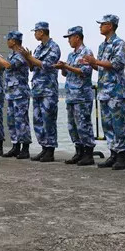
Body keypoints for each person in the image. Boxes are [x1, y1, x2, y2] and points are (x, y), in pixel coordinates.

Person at [83, 14, 125, 170]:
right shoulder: (102, 46)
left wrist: (95, 61)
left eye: (102, 24)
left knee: (118, 124)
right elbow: (101, 66)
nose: (100, 27)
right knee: (107, 124)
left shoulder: (119, 43)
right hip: (104, 91)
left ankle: (121, 155)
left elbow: (117, 64)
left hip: (116, 91)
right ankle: (113, 153)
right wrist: (91, 63)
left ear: (110, 25)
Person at [54, 26, 95, 166]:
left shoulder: (86, 52)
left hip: (82, 96)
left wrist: (67, 66)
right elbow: (68, 73)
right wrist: (63, 68)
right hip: (71, 95)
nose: (69, 41)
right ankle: (79, 151)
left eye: (70, 37)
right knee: (73, 126)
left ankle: (88, 153)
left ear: (77, 37)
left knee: (84, 125)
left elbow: (85, 71)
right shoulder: (71, 55)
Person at [21, 22, 61, 162]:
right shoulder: (38, 48)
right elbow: (33, 67)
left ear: (42, 32)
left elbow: (48, 65)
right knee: (38, 120)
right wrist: (28, 59)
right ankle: (43, 147)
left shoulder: (54, 47)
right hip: (37, 89)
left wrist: (31, 58)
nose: (35, 34)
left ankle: (50, 150)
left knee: (48, 120)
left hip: (48, 90)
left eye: (36, 32)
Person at [0, 31, 32, 159]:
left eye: (9, 39)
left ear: (14, 41)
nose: (7, 41)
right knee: (11, 121)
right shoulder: (12, 54)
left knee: (21, 121)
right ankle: (16, 146)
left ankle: (25, 147)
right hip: (11, 94)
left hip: (20, 93)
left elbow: (9, 66)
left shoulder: (21, 53)